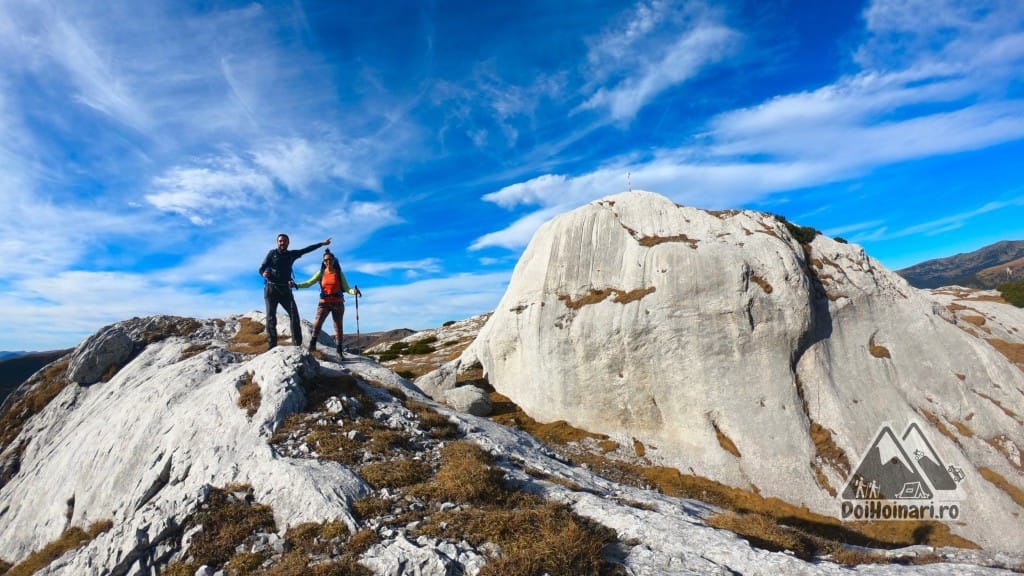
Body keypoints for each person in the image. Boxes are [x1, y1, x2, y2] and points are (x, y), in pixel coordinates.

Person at [259, 234, 331, 349]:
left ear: (288, 243)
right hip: (271, 289)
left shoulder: (292, 254)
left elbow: (306, 250)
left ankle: (297, 345)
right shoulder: (272, 253)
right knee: (271, 317)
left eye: (284, 241)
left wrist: (322, 244)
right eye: (280, 241)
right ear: (277, 242)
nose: (282, 243)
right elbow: (262, 267)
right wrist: (263, 273)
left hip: (285, 290)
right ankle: (272, 345)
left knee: (294, 315)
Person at [296, 248, 361, 357]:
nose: (328, 261)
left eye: (330, 259)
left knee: (338, 327)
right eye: (326, 260)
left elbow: (346, 288)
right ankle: (312, 345)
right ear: (323, 262)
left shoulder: (339, 273)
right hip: (324, 302)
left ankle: (339, 351)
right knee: (317, 325)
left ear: (334, 260)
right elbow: (309, 283)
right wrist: (297, 285)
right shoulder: (321, 273)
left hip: (338, 303)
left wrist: (353, 292)